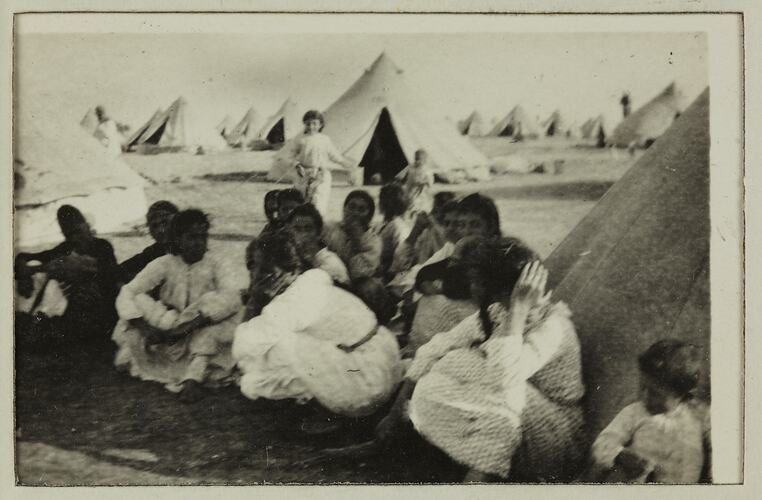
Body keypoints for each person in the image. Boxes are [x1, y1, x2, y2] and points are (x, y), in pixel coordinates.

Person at [375, 237, 586, 482]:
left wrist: (517, 311)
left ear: (502, 287)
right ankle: (450, 456)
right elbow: (436, 348)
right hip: (514, 421)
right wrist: (394, 413)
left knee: (486, 374)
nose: (471, 287)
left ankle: (478, 480)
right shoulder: (497, 312)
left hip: (555, 440)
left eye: (476, 281)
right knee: (447, 366)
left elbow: (504, 377)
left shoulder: (553, 326)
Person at [232, 232, 403, 422]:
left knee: (269, 355)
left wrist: (255, 298)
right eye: (253, 270)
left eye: (264, 271)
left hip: (366, 387)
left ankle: (324, 409)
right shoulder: (315, 280)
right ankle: (313, 398)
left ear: (289, 269)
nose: (256, 276)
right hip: (385, 368)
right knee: (274, 347)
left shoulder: (295, 297)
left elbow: (241, 347)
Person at [112, 209, 242, 402]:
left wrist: (190, 325)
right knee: (138, 300)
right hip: (169, 330)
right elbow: (129, 292)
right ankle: (148, 355)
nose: (198, 242)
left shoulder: (218, 263)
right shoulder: (164, 263)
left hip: (201, 328)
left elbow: (232, 297)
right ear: (178, 239)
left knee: (224, 306)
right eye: (191, 237)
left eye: (202, 236)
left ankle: (193, 378)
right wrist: (146, 327)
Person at [588, 340, 710, 483]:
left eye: (654, 393)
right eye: (642, 387)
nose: (644, 396)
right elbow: (603, 443)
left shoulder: (700, 415)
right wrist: (619, 454)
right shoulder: (635, 412)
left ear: (680, 393)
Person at [15, 205, 120, 348]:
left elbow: (104, 273)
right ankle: (37, 321)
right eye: (69, 235)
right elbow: (25, 257)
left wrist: (40, 268)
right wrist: (24, 274)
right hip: (75, 310)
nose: (75, 238)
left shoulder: (102, 246)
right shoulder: (66, 247)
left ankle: (39, 325)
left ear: (87, 226)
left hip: (103, 307)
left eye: (78, 231)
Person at [289, 110, 357, 216]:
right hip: (303, 174)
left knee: (319, 202)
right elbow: (291, 156)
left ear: (320, 125)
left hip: (321, 174)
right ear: (304, 124)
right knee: (302, 200)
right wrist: (297, 165)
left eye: (314, 123)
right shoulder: (299, 139)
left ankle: (318, 223)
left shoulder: (325, 139)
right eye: (308, 124)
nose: (311, 127)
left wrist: (346, 163)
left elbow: (334, 155)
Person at [390, 192, 457, 277]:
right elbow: (399, 264)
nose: (432, 215)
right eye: (434, 210)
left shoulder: (451, 244)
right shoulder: (426, 232)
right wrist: (415, 231)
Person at [323, 190, 383, 281]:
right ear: (344, 209)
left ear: (369, 216)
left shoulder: (373, 242)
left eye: (361, 209)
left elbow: (359, 273)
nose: (355, 213)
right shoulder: (329, 228)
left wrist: (356, 241)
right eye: (351, 207)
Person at [285, 203, 349, 284]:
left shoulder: (330, 264)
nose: (303, 234)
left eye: (308, 229)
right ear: (289, 231)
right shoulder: (292, 259)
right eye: (297, 229)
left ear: (318, 233)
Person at [118, 201, 179, 284]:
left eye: (165, 222)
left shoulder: (192, 246)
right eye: (154, 226)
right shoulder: (154, 251)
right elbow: (120, 270)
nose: (160, 230)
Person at [376, 183, 413, 283]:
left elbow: (401, 257)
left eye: (380, 200)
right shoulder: (386, 224)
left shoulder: (397, 226)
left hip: (388, 275)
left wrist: (387, 274)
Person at [395, 149, 435, 214]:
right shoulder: (411, 167)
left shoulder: (427, 170)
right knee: (410, 205)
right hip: (410, 191)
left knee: (419, 206)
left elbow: (430, 182)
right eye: (416, 159)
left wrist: (423, 182)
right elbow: (400, 177)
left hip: (420, 193)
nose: (417, 161)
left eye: (420, 159)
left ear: (425, 160)